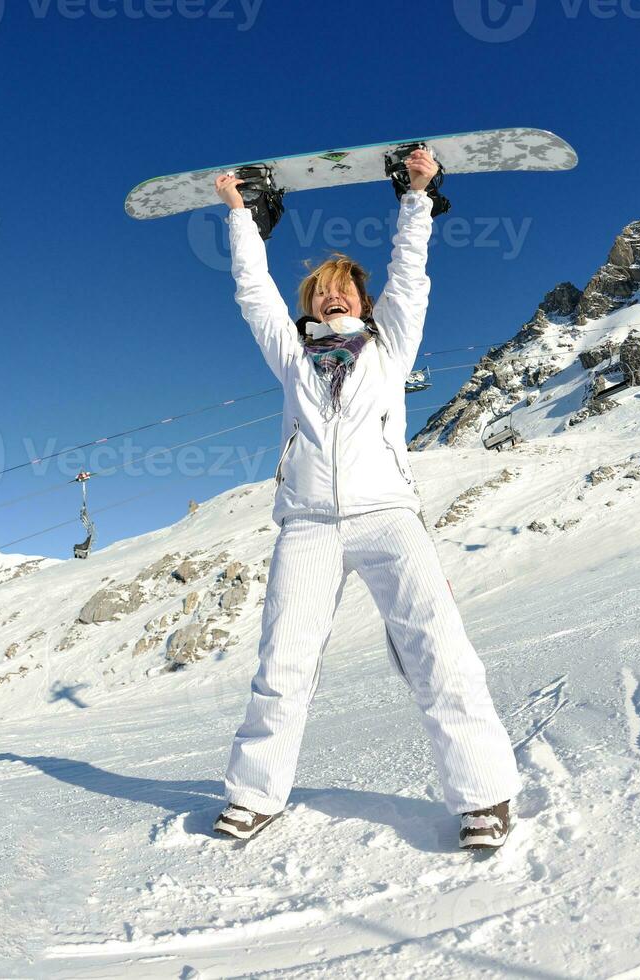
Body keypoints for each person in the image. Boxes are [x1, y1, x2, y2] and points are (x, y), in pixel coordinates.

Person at [210, 149, 519, 851]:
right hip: (308, 525)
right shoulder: (291, 355)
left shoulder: (390, 346)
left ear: (363, 299)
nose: (332, 295)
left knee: (436, 647)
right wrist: (240, 219)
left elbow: (410, 275)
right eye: (321, 289)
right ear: (311, 303)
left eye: (345, 286)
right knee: (283, 661)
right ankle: (256, 794)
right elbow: (253, 293)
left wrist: (416, 196)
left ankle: (484, 798)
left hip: (388, 518)